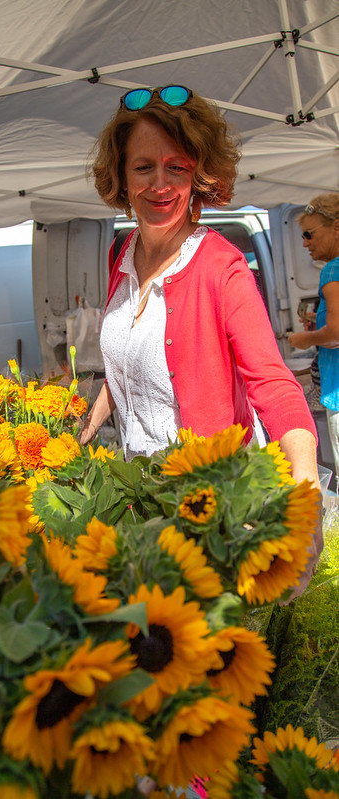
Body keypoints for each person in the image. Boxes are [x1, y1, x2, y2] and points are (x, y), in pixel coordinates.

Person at [80, 85, 321, 596]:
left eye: (177, 167)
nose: (161, 184)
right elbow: (128, 355)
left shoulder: (220, 267)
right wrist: (85, 422)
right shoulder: (120, 257)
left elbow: (273, 385)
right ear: (121, 178)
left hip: (213, 507)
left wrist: (306, 489)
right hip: (144, 497)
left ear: (199, 175)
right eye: (144, 167)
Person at [288, 194, 339, 481]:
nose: (305, 243)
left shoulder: (333, 269)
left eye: (309, 234)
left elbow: (336, 333)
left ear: (336, 228)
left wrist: (307, 339)